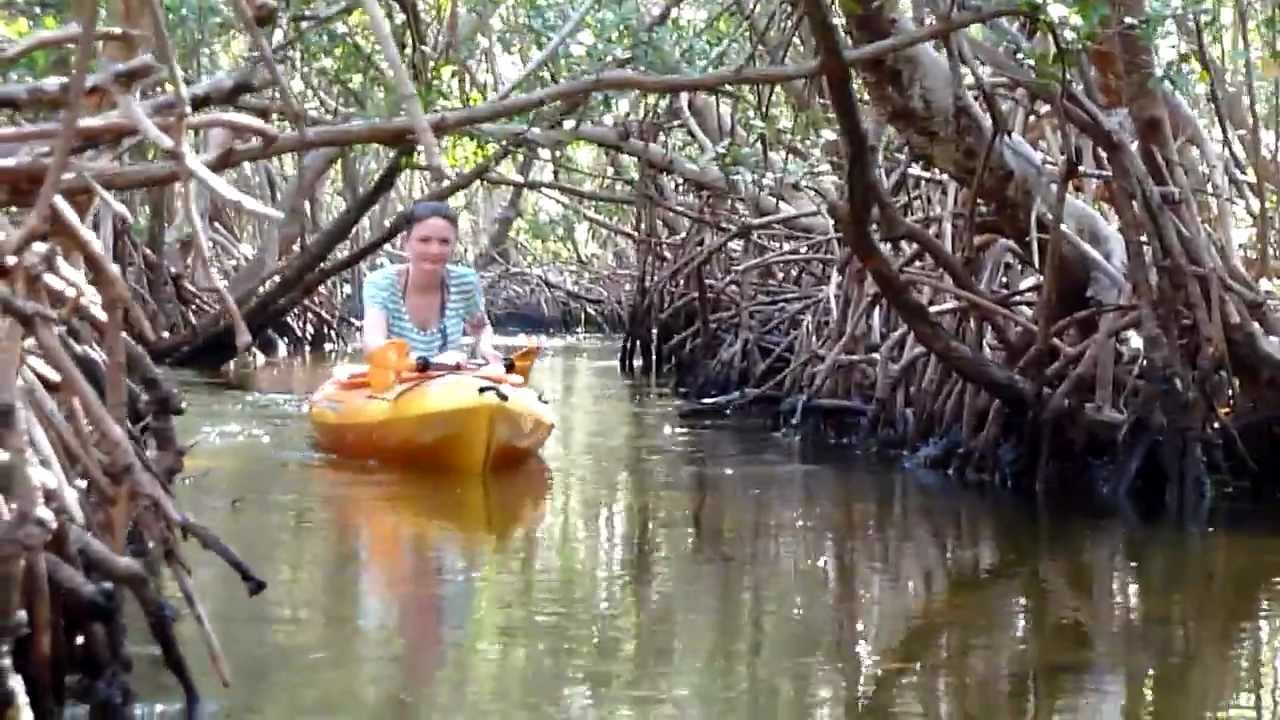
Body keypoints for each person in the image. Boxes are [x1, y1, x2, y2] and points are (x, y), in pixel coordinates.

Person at [361, 199, 503, 365]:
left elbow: (482, 328)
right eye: (424, 240)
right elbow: (373, 345)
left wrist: (486, 348)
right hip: (398, 381)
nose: (434, 250)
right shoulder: (381, 283)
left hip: (447, 383)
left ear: (453, 246)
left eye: (444, 242)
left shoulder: (465, 282)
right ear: (405, 243)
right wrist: (429, 363)